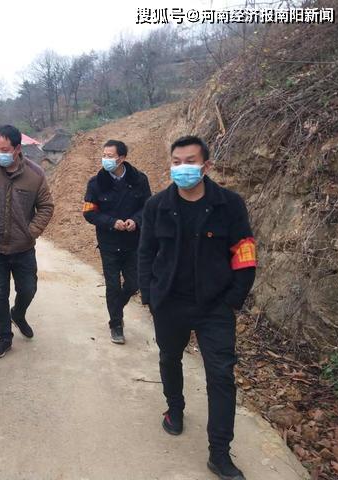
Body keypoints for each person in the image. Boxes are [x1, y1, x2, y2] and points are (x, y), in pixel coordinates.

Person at [138, 136, 256, 480]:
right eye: (176, 161)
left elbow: (245, 251)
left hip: (215, 306)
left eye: (190, 161)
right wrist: (150, 295)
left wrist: (234, 297)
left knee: (221, 376)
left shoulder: (229, 205)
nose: (182, 168)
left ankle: (219, 453)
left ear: (206, 166)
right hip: (170, 302)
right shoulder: (157, 205)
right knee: (169, 358)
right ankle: (175, 410)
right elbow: (145, 253)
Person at [0, 125, 54, 359]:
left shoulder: (35, 174)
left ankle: (18, 313)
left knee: (28, 289)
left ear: (17, 149)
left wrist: (31, 231)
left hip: (23, 248)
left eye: (4, 149)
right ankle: (4, 336)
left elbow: (46, 207)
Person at [83, 140, 151, 344]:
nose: (106, 159)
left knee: (134, 283)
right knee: (112, 286)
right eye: (104, 155)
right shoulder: (96, 183)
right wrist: (112, 223)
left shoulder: (139, 179)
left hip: (133, 242)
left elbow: (148, 207)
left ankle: (116, 307)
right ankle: (116, 324)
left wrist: (135, 221)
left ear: (122, 158)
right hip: (109, 243)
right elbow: (89, 213)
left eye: (110, 156)